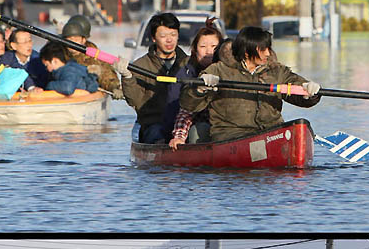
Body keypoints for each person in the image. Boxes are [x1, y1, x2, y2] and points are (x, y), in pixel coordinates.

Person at [179, 25, 321, 144]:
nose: (267, 53)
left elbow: (298, 89)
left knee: (300, 125)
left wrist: (309, 92)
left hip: (270, 133)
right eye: (262, 49)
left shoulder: (277, 71)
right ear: (247, 52)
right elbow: (188, 104)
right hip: (231, 136)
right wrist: (200, 89)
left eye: (268, 48)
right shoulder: (219, 70)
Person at [116, 11, 188, 143]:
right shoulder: (140, 66)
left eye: (173, 35)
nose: (169, 40)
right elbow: (135, 101)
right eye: (163, 36)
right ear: (154, 38)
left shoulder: (188, 64)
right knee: (156, 136)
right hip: (154, 124)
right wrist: (127, 77)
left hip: (183, 125)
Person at [169, 19, 223, 150]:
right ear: (195, 50)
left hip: (226, 127)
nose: (208, 52)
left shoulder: (230, 71)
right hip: (200, 125)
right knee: (197, 131)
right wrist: (179, 137)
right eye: (203, 47)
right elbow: (186, 110)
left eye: (214, 47)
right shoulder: (186, 73)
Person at [60, 14, 123, 99]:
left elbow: (106, 73)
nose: (73, 42)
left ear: (83, 39)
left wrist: (114, 88)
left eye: (76, 38)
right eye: (69, 38)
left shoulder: (93, 57)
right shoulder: (58, 51)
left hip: (84, 94)